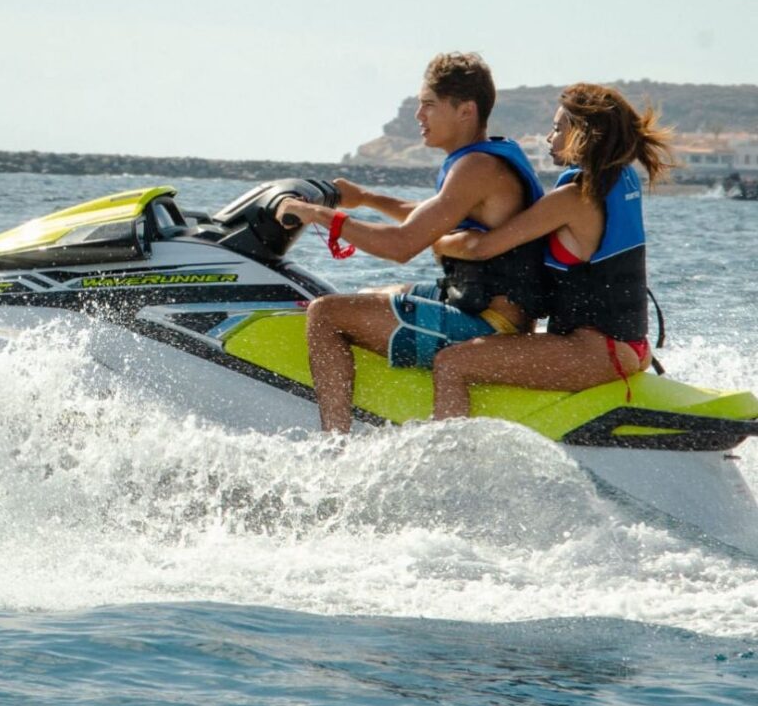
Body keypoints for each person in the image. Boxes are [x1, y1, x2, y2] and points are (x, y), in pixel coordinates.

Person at [274, 52, 545, 433]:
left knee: (326, 315)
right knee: (370, 293)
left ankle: (334, 445)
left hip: (488, 325)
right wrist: (366, 198)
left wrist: (317, 215)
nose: (419, 116)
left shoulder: (477, 168)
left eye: (429, 106)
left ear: (465, 110)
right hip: (472, 302)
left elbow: (401, 246)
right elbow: (426, 215)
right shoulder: (483, 159)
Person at [427, 83, 675, 419]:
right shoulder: (620, 179)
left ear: (585, 134)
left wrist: (432, 238)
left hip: (596, 352)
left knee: (452, 362)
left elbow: (483, 248)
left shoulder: (573, 198)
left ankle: (451, 462)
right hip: (625, 346)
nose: (549, 137)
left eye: (559, 128)